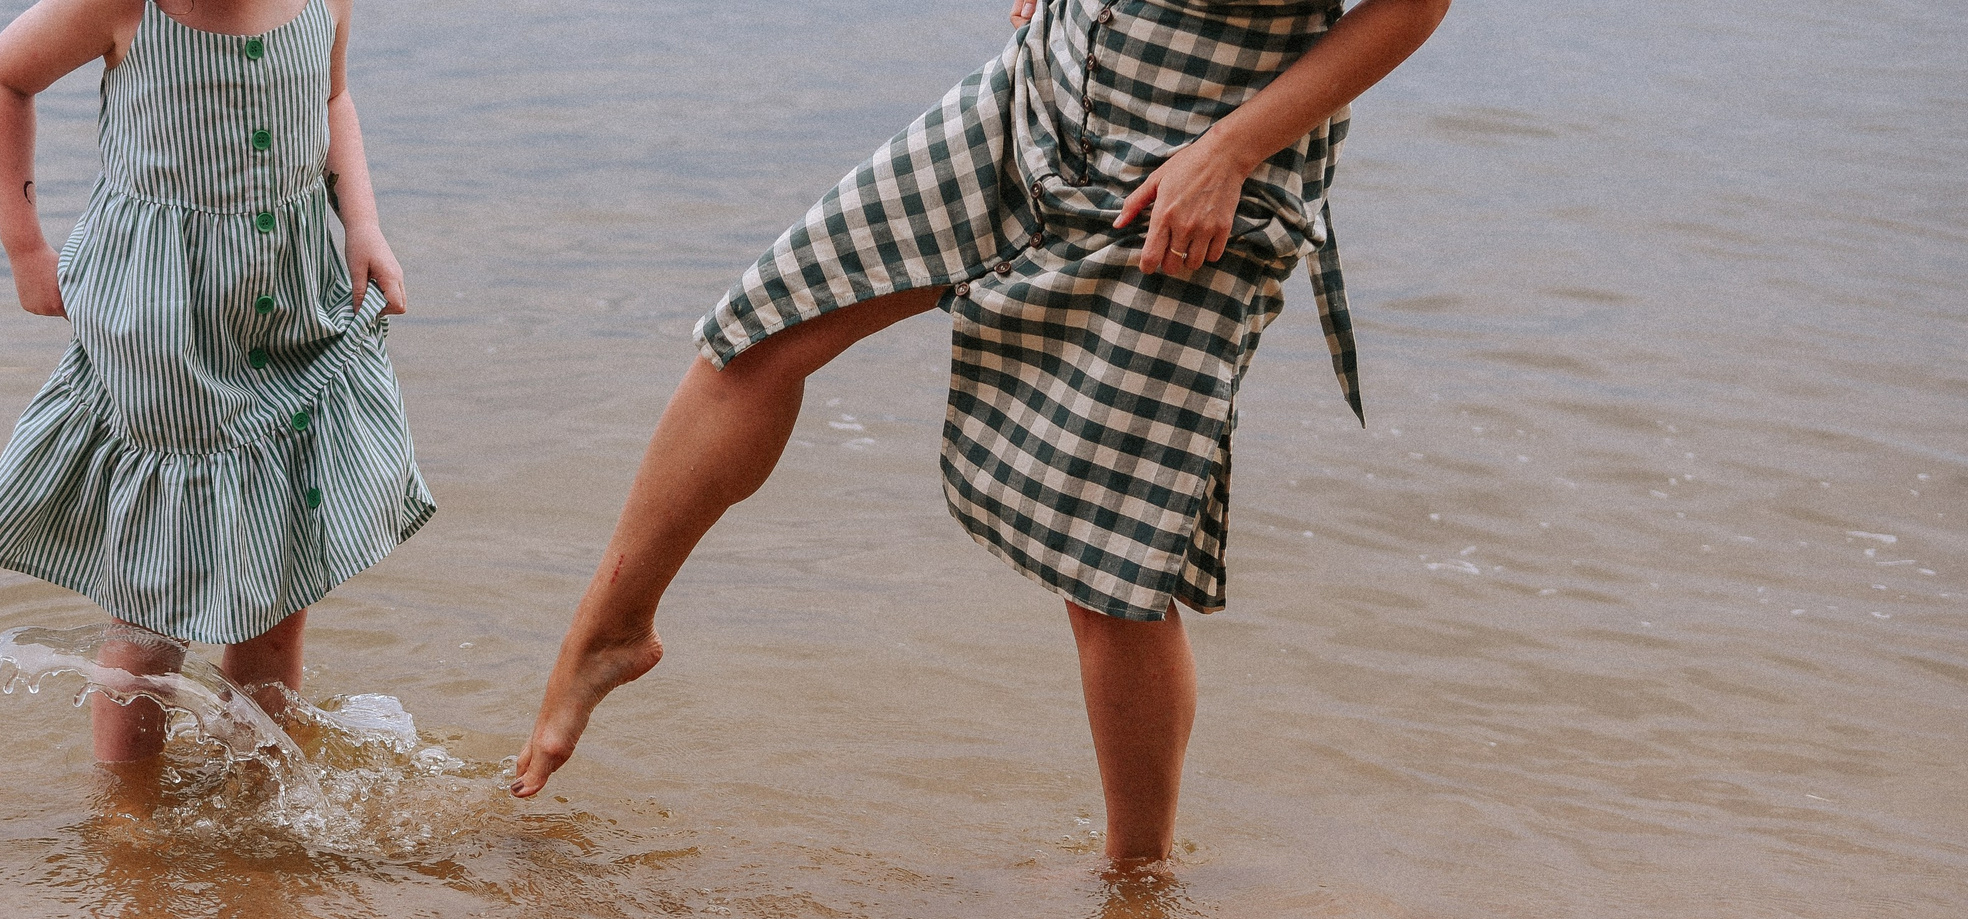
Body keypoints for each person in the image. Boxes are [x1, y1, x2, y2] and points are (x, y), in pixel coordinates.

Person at [512, 0, 1448, 869]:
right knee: (760, 329)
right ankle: (610, 632)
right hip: (1039, 95)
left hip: (1185, 179)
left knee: (1110, 564)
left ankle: (1138, 880)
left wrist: (1232, 152)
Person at [0, 0, 432, 766]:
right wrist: (26, 250)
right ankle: (128, 818)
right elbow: (3, 79)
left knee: (279, 586)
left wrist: (362, 222)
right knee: (153, 604)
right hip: (163, 331)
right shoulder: (125, 8)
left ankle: (254, 788)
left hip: (284, 308)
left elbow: (330, 97)